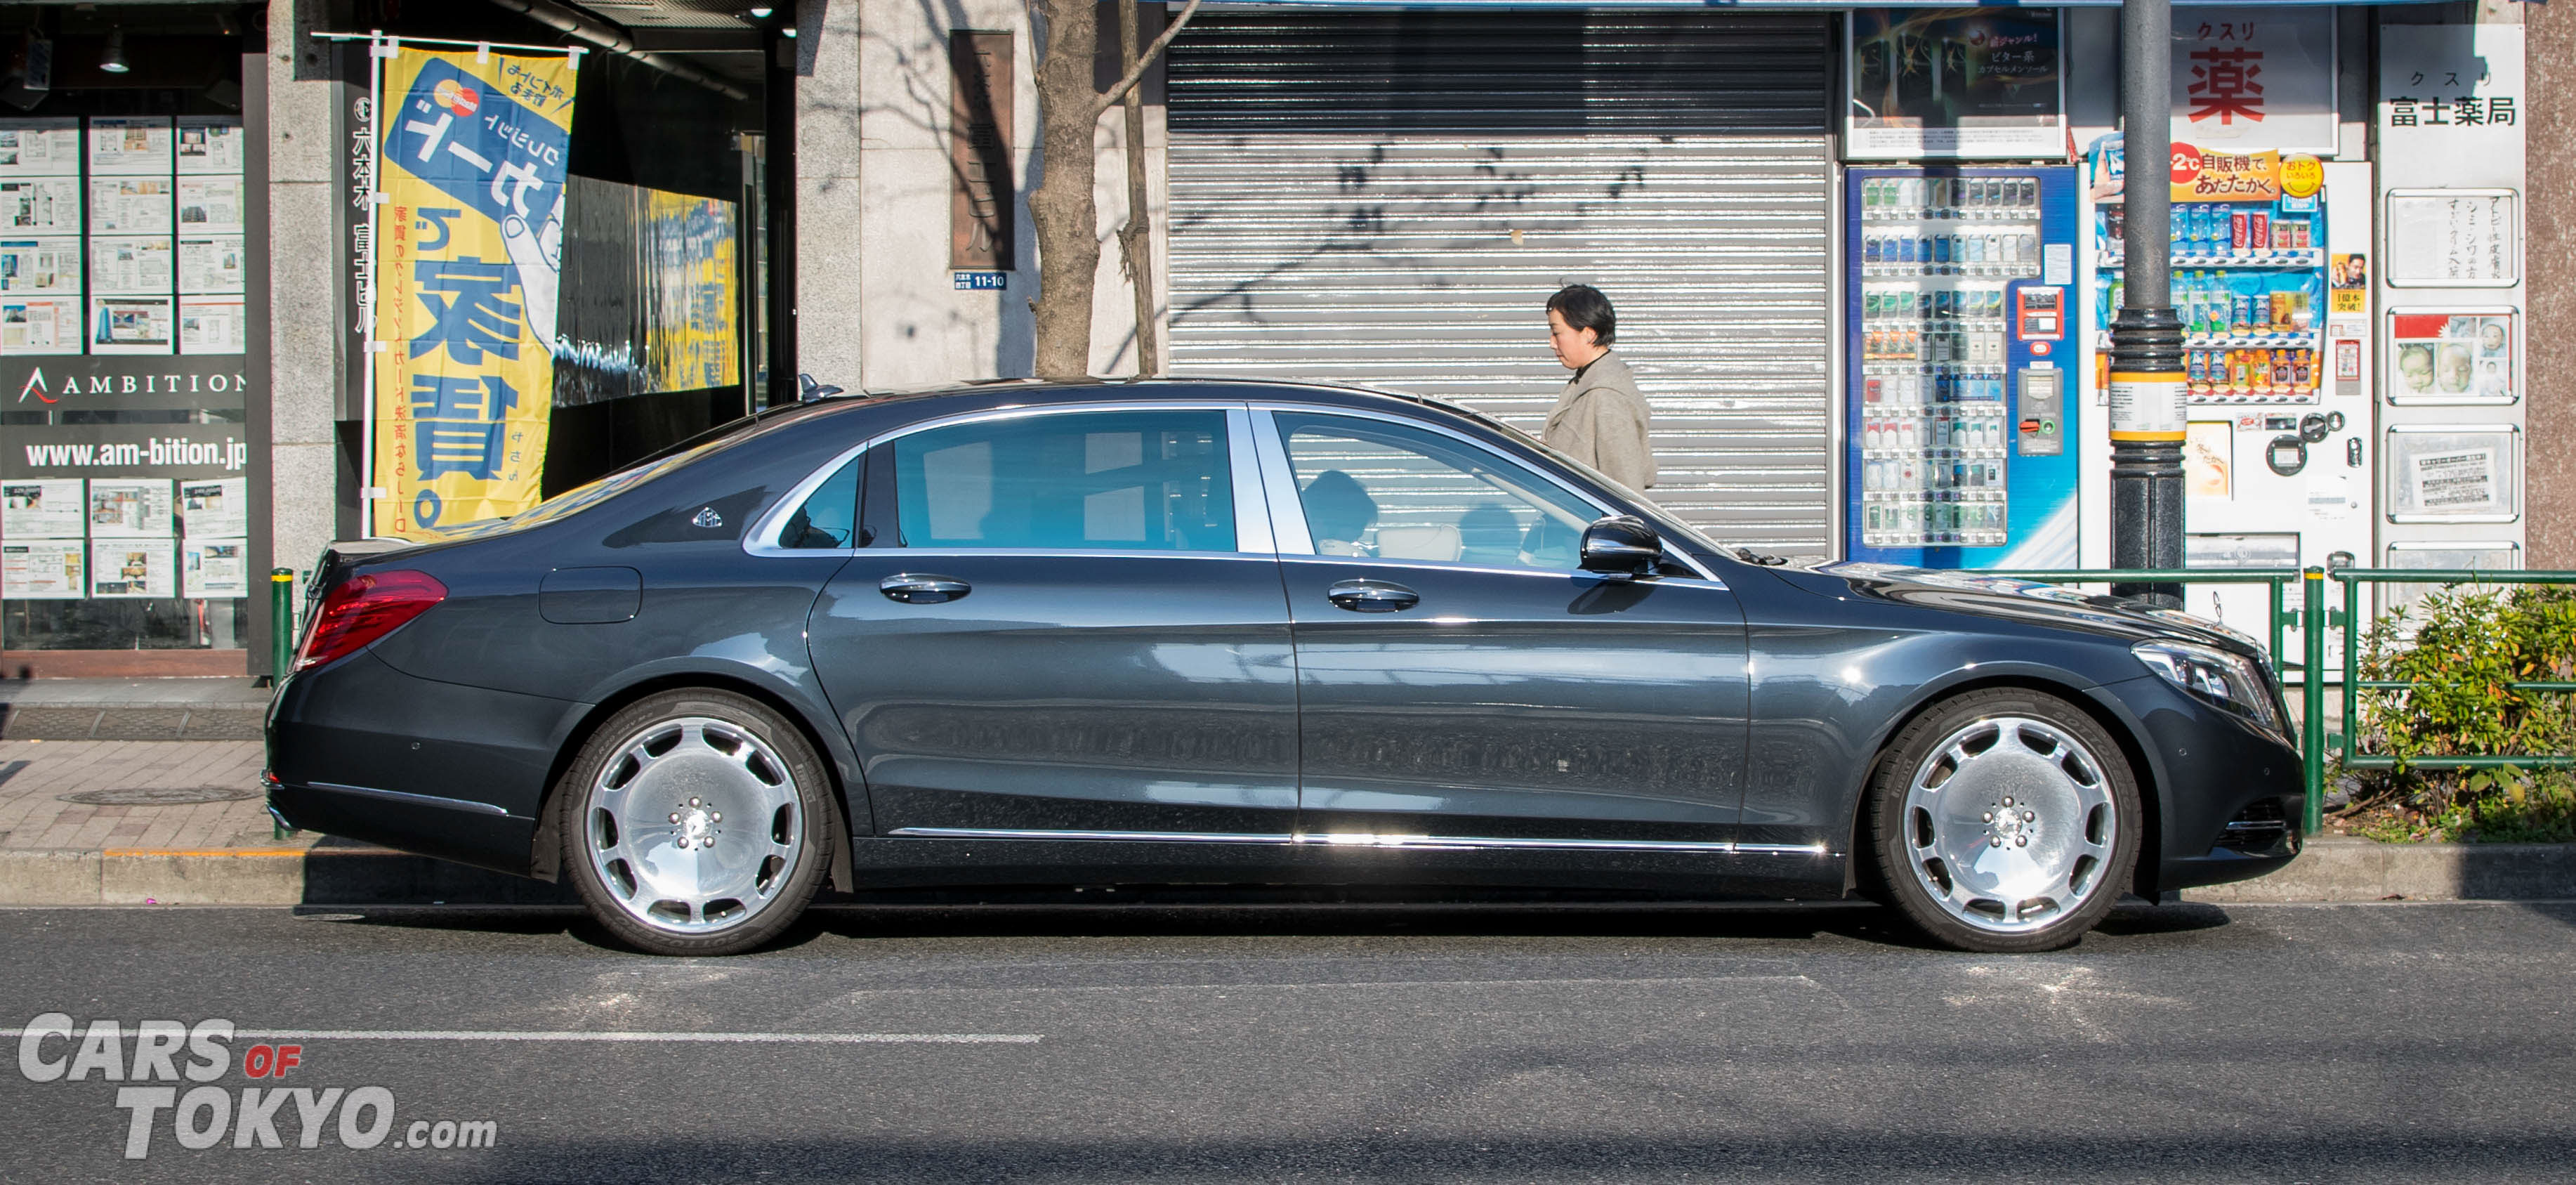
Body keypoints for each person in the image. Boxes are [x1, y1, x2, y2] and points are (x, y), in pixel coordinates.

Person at [1541, 284, 1655, 492]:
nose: (1552, 343)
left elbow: (1626, 490)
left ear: (1589, 334)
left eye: (1557, 332)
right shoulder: (1587, 384)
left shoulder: (1607, 396)